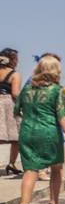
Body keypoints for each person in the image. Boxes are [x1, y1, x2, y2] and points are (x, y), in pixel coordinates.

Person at [14, 54, 65, 204]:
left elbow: (16, 110)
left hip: (27, 132)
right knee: (56, 168)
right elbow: (62, 115)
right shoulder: (57, 90)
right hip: (49, 133)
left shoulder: (27, 89)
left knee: (30, 171)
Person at [0, 48, 23, 177]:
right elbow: (15, 93)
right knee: (16, 137)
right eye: (16, 59)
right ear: (11, 60)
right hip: (8, 106)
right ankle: (11, 163)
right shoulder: (15, 74)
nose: (18, 62)